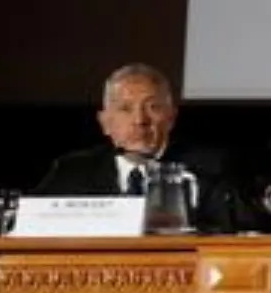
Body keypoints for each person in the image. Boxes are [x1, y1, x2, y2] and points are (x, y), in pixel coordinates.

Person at [30, 63, 245, 231]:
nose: (140, 120)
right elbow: (26, 227)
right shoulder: (72, 171)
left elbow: (238, 233)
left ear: (171, 118)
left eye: (153, 107)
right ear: (105, 123)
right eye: (125, 108)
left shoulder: (210, 169)